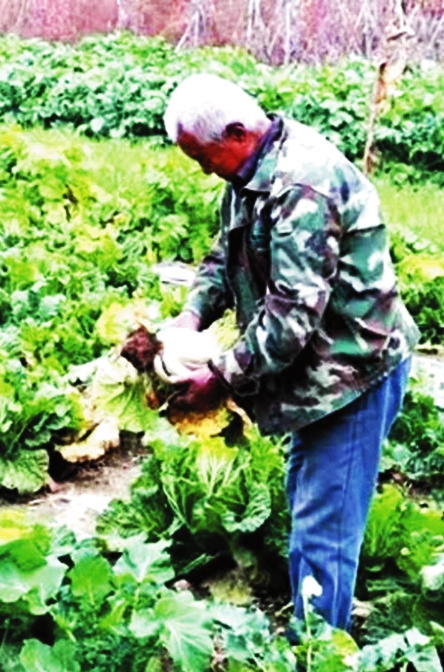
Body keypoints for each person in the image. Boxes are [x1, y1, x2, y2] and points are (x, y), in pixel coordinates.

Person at [157, 73, 420, 631]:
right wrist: (190, 317)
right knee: (310, 500)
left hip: (352, 371)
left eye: (203, 157)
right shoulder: (250, 172)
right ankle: (316, 627)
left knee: (325, 526)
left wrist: (220, 378)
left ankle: (320, 655)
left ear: (236, 133)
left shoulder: (303, 186)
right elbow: (224, 255)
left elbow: (291, 316)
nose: (203, 170)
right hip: (317, 371)